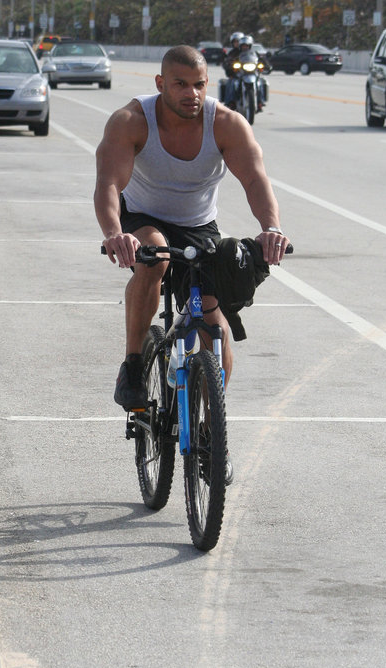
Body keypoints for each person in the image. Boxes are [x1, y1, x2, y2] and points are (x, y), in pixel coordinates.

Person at [94, 44, 290, 440]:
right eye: (181, 85)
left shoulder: (227, 123)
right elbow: (110, 184)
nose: (192, 94)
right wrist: (115, 234)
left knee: (215, 326)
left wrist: (270, 227)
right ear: (160, 83)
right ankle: (133, 365)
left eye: (199, 84)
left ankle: (209, 429)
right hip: (142, 218)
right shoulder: (132, 120)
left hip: (199, 226)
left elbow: (255, 180)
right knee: (155, 261)